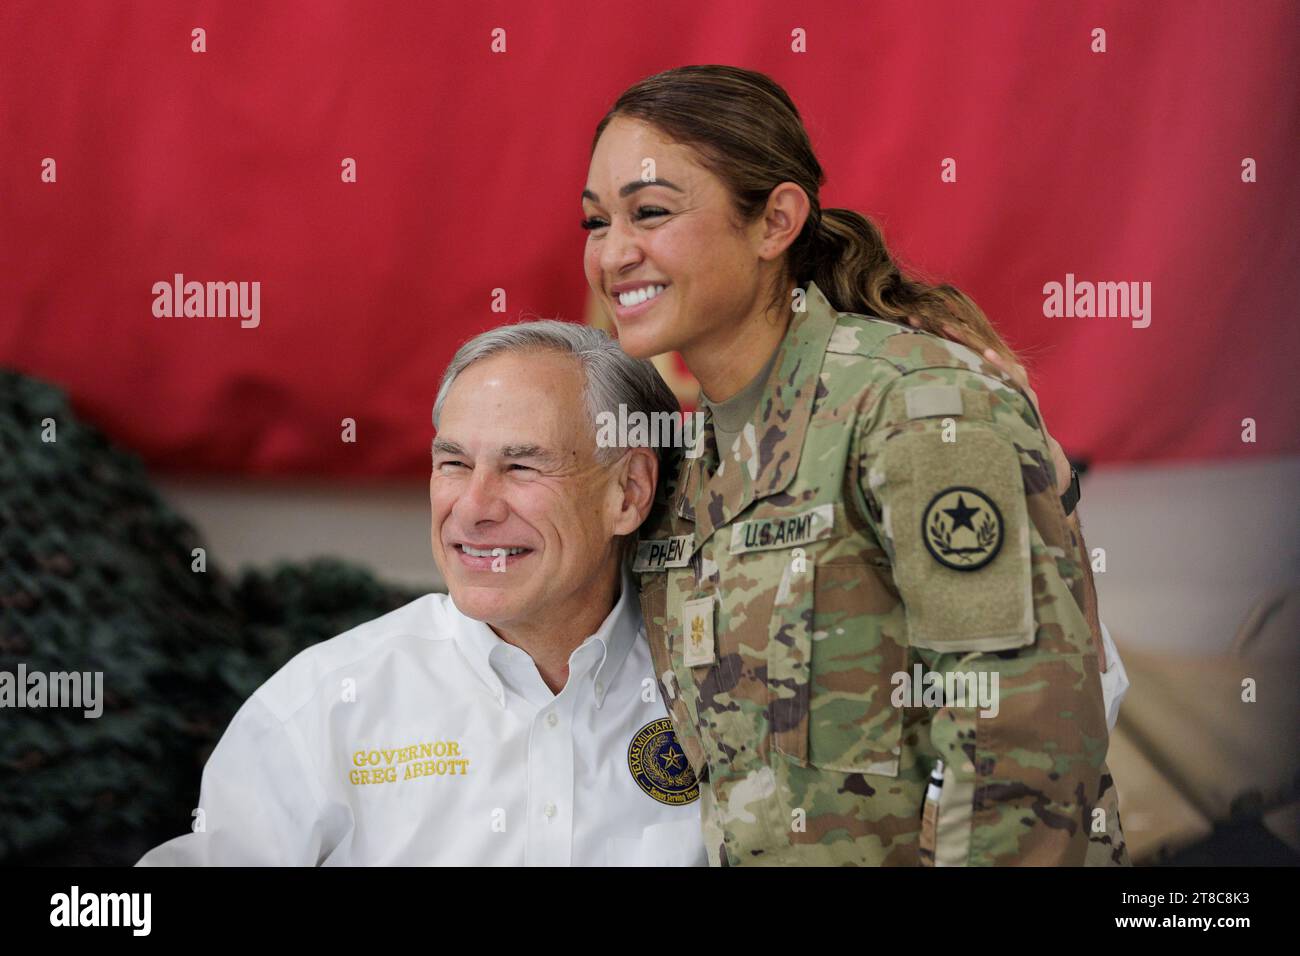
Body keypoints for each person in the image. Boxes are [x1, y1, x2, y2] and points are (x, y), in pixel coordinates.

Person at [580, 64, 1130, 865]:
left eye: (651, 213)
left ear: (776, 223)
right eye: (596, 222)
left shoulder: (919, 407)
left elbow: (1023, 742)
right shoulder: (684, 464)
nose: (613, 253)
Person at [137, 321, 706, 866]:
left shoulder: (732, 685)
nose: (474, 508)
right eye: (453, 463)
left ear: (628, 492)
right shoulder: (324, 705)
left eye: (522, 466)